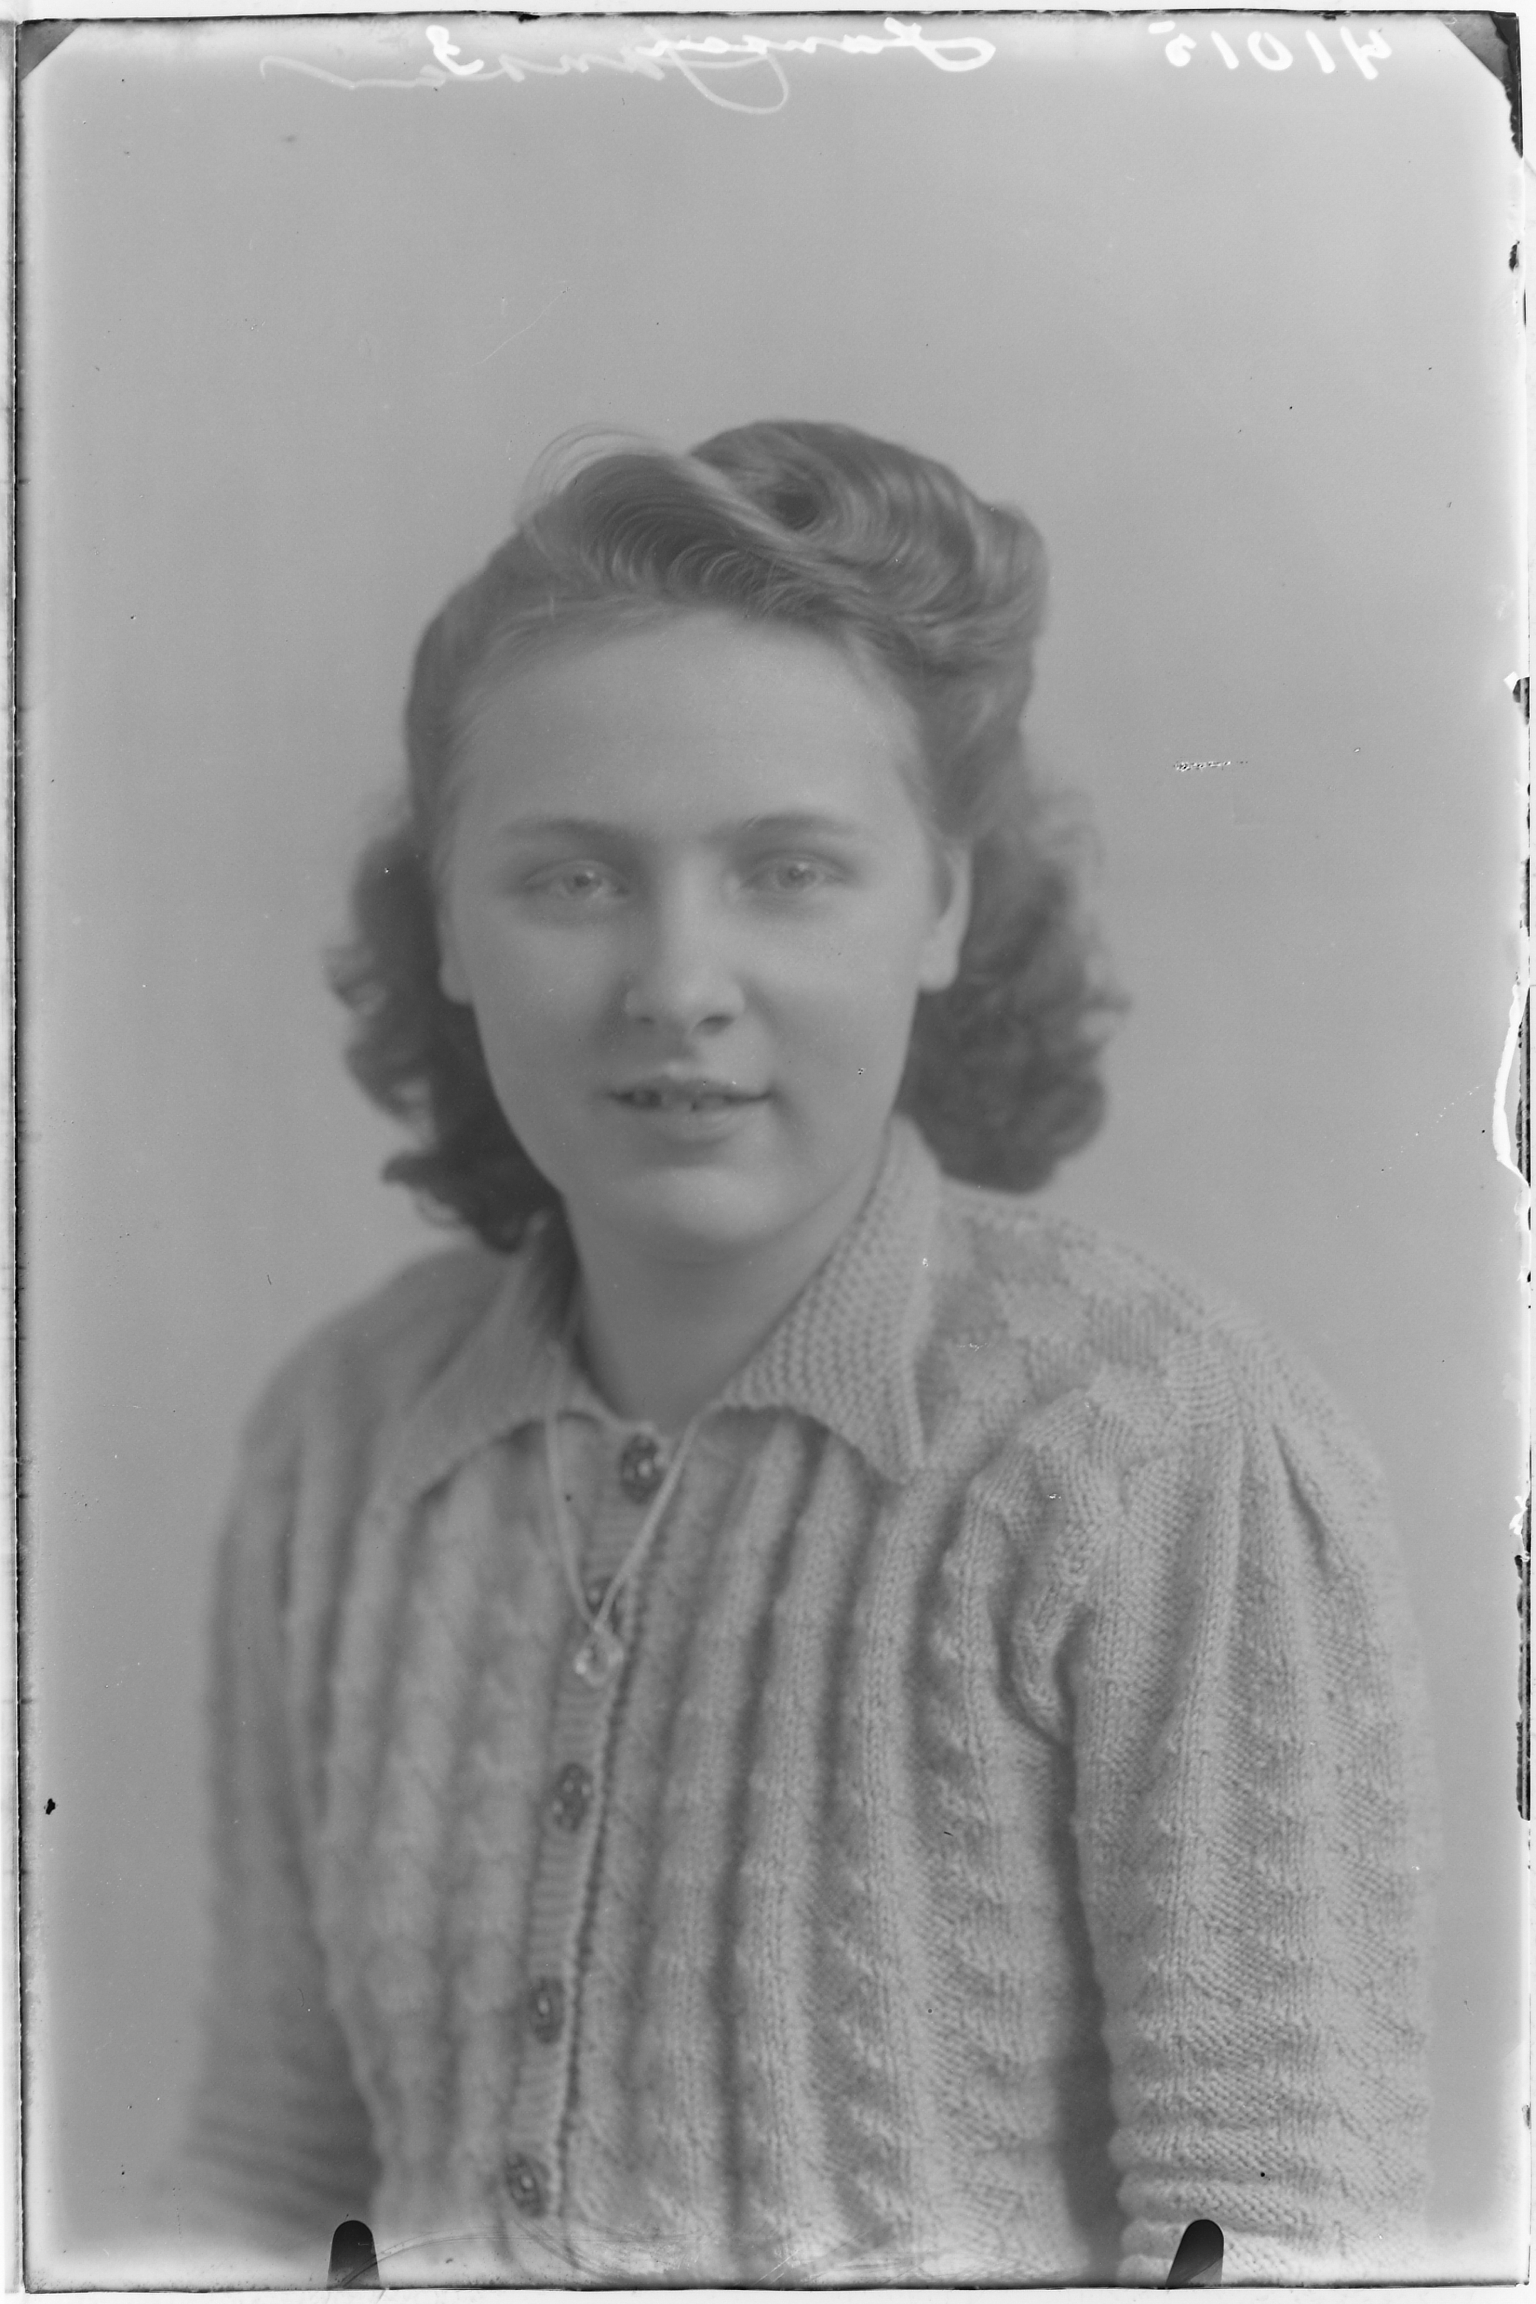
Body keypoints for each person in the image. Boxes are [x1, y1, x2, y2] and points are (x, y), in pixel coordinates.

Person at [180, 420, 1435, 2286]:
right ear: (444, 919)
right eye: (573, 879)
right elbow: (273, 2177)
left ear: (943, 905)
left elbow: (1277, 2228)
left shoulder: (1157, 1445)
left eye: (786, 869)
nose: (678, 984)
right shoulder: (340, 1444)